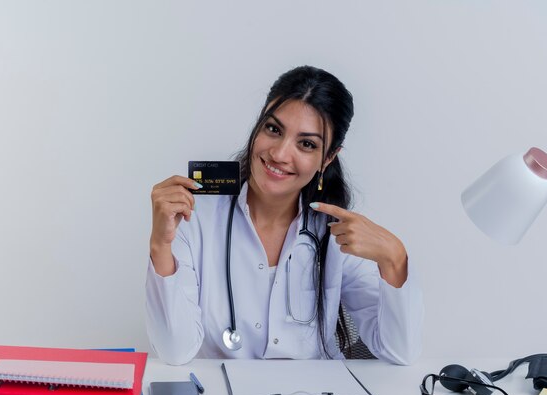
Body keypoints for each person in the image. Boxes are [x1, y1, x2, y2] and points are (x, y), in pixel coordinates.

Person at [146, 66, 423, 366]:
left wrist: (394, 257)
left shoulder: (338, 233)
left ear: (327, 158)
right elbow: (175, 351)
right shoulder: (193, 218)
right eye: (273, 129)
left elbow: (398, 352)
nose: (279, 154)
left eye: (306, 144)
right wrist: (160, 246)